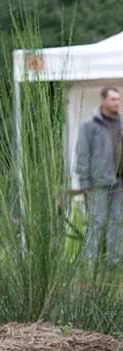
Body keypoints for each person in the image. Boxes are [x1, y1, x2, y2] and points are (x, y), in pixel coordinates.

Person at [76, 87, 123, 265]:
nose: (117, 103)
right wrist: (84, 181)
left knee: (117, 221)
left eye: (118, 99)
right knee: (96, 221)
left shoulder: (121, 122)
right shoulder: (89, 124)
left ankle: (114, 261)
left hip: (119, 180)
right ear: (103, 100)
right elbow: (82, 153)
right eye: (113, 99)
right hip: (98, 180)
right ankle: (90, 262)